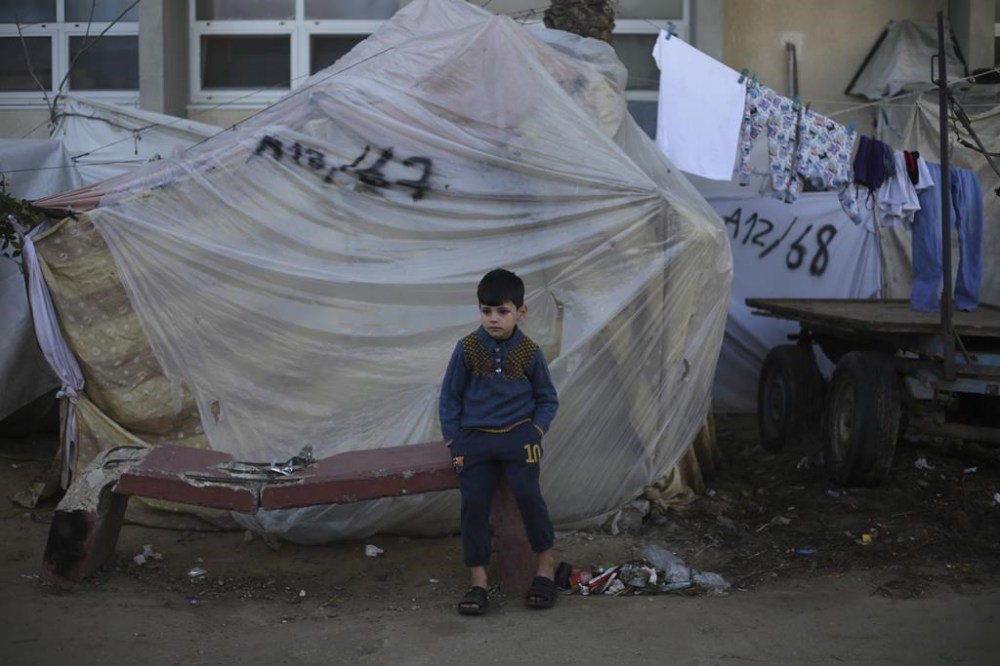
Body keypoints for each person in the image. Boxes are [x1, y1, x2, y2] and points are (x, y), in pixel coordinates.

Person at [439, 268, 559, 615]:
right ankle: (477, 580)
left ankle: (545, 567)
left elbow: (547, 398)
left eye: (502, 311)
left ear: (521, 312)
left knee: (528, 495)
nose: (493, 319)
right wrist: (453, 440)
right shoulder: (467, 349)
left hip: (521, 439)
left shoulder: (529, 352)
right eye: (486, 311)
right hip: (472, 443)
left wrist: (535, 431)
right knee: (473, 503)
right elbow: (449, 398)